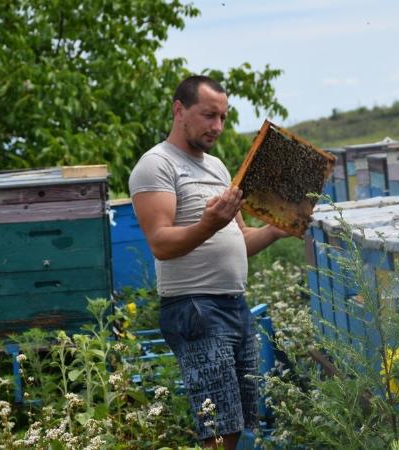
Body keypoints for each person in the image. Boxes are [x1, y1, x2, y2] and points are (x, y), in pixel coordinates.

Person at [128, 75, 289, 449]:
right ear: (179, 110)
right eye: (208, 115)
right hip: (194, 305)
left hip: (233, 303)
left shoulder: (216, 167)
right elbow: (160, 243)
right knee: (218, 424)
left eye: (223, 117)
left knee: (239, 421)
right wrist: (207, 223)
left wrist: (275, 231)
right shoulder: (156, 165)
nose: (216, 126)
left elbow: (240, 241)